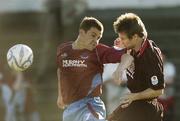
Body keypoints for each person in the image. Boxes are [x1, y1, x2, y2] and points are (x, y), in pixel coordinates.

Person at [56, 16, 133, 121]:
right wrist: (60, 95)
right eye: (93, 36)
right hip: (70, 108)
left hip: (89, 105)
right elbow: (61, 70)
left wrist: (119, 69)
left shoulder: (99, 51)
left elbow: (128, 56)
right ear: (82, 32)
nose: (95, 41)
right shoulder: (63, 49)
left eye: (98, 38)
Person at [108, 13, 165, 121]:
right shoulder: (133, 46)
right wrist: (119, 70)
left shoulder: (150, 57)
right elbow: (128, 56)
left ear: (134, 36)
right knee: (111, 118)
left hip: (146, 109)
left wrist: (134, 96)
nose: (120, 41)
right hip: (135, 102)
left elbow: (158, 90)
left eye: (123, 38)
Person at [158, 53, 176, 121]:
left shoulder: (170, 66)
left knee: (168, 114)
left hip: (168, 93)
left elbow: (171, 81)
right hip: (157, 94)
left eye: (162, 55)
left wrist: (160, 83)